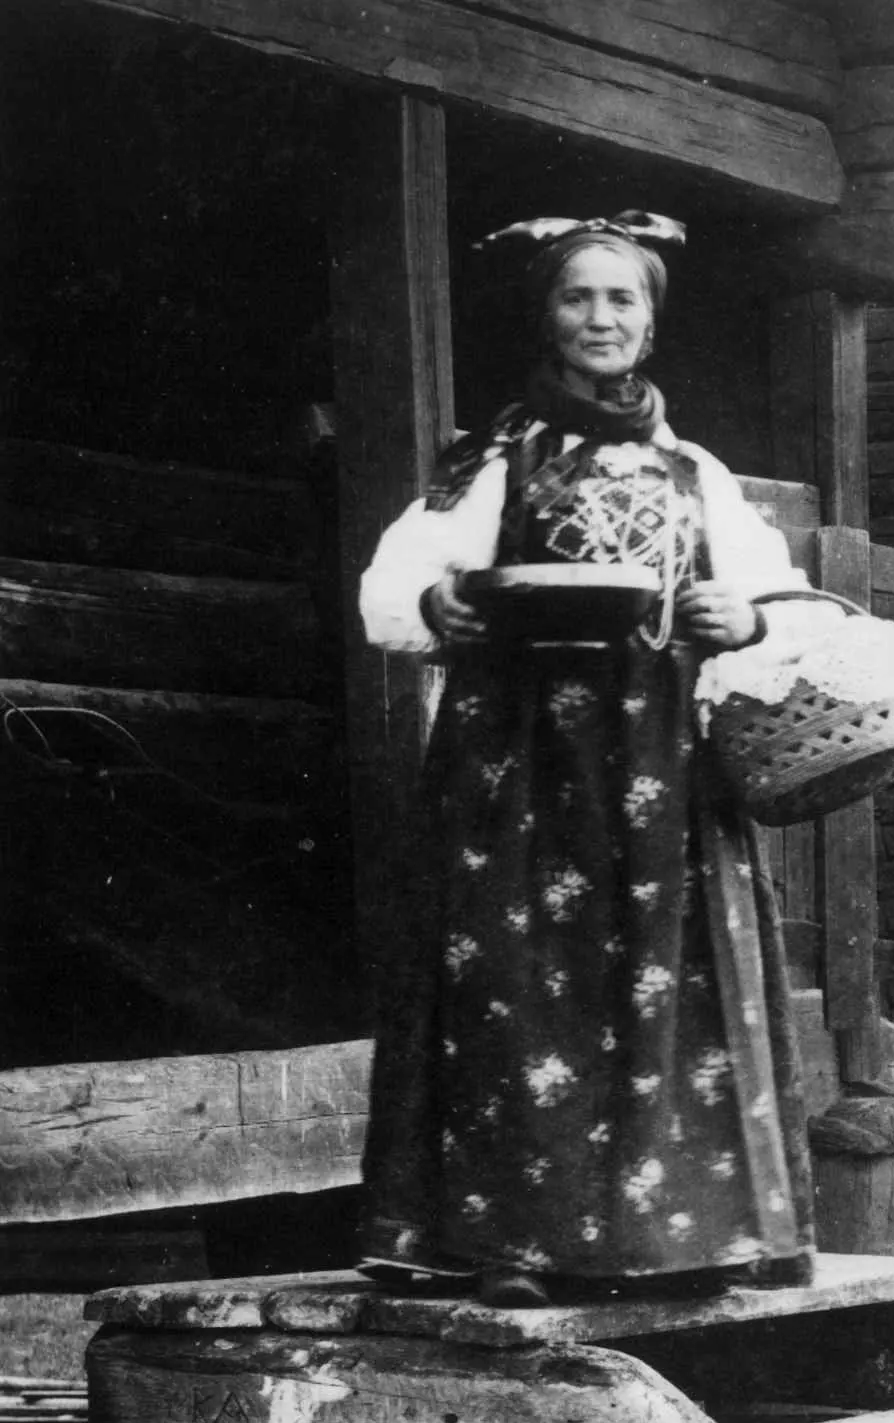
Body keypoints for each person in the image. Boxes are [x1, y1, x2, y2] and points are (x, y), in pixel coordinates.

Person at [355, 212, 818, 1306]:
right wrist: (441, 600)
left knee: (667, 981)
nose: (600, 319)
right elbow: (389, 593)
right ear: (547, 315)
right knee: (522, 989)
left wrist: (740, 618)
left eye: (622, 300)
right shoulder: (493, 460)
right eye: (579, 297)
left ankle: (678, 1240)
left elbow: (783, 602)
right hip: (517, 768)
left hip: (661, 765)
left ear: (650, 321)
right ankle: (514, 1243)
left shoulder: (694, 472)